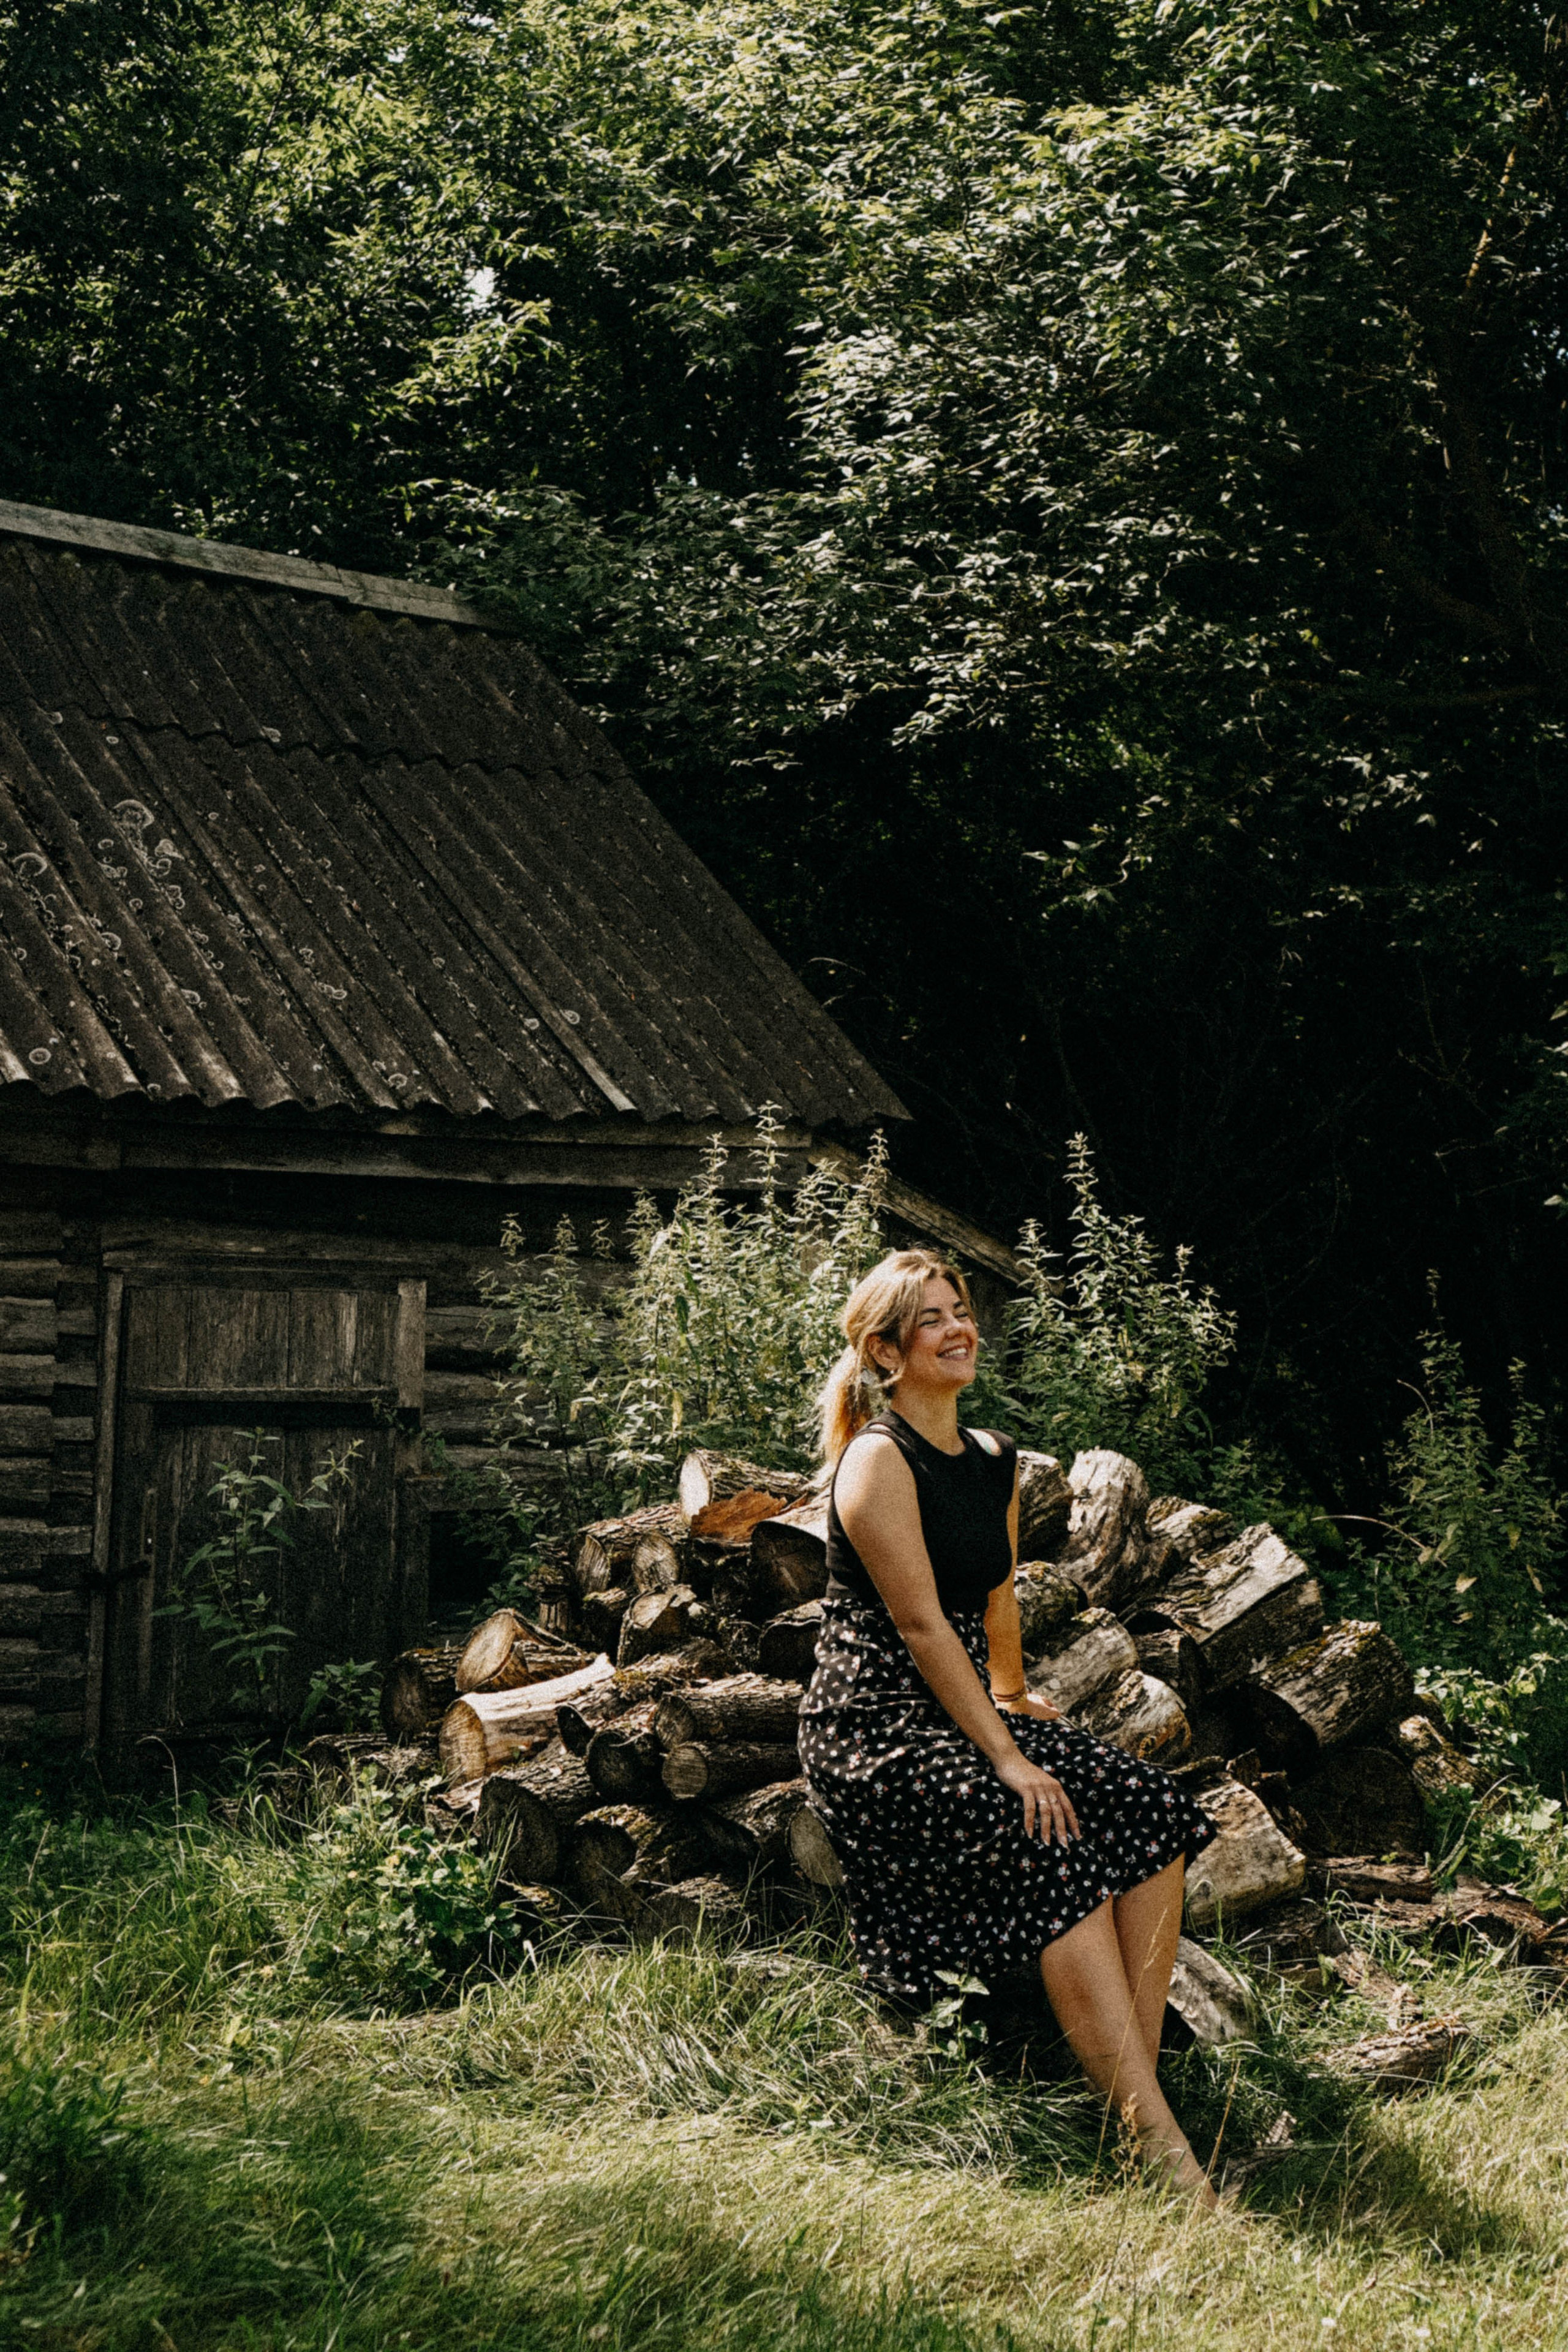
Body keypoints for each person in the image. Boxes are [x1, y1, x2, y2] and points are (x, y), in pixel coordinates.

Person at [798, 1246, 1220, 2203]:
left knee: (1153, 1815)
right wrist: (1008, 1756)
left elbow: (994, 1592)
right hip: (875, 1731)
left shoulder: (991, 1458)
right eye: (933, 1319)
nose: (960, 1328)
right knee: (1049, 1833)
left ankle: (1133, 2088)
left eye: (961, 1310)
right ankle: (1161, 2155)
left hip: (959, 1710)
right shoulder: (876, 1461)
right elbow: (916, 1624)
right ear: (886, 1351)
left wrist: (1013, 1690)